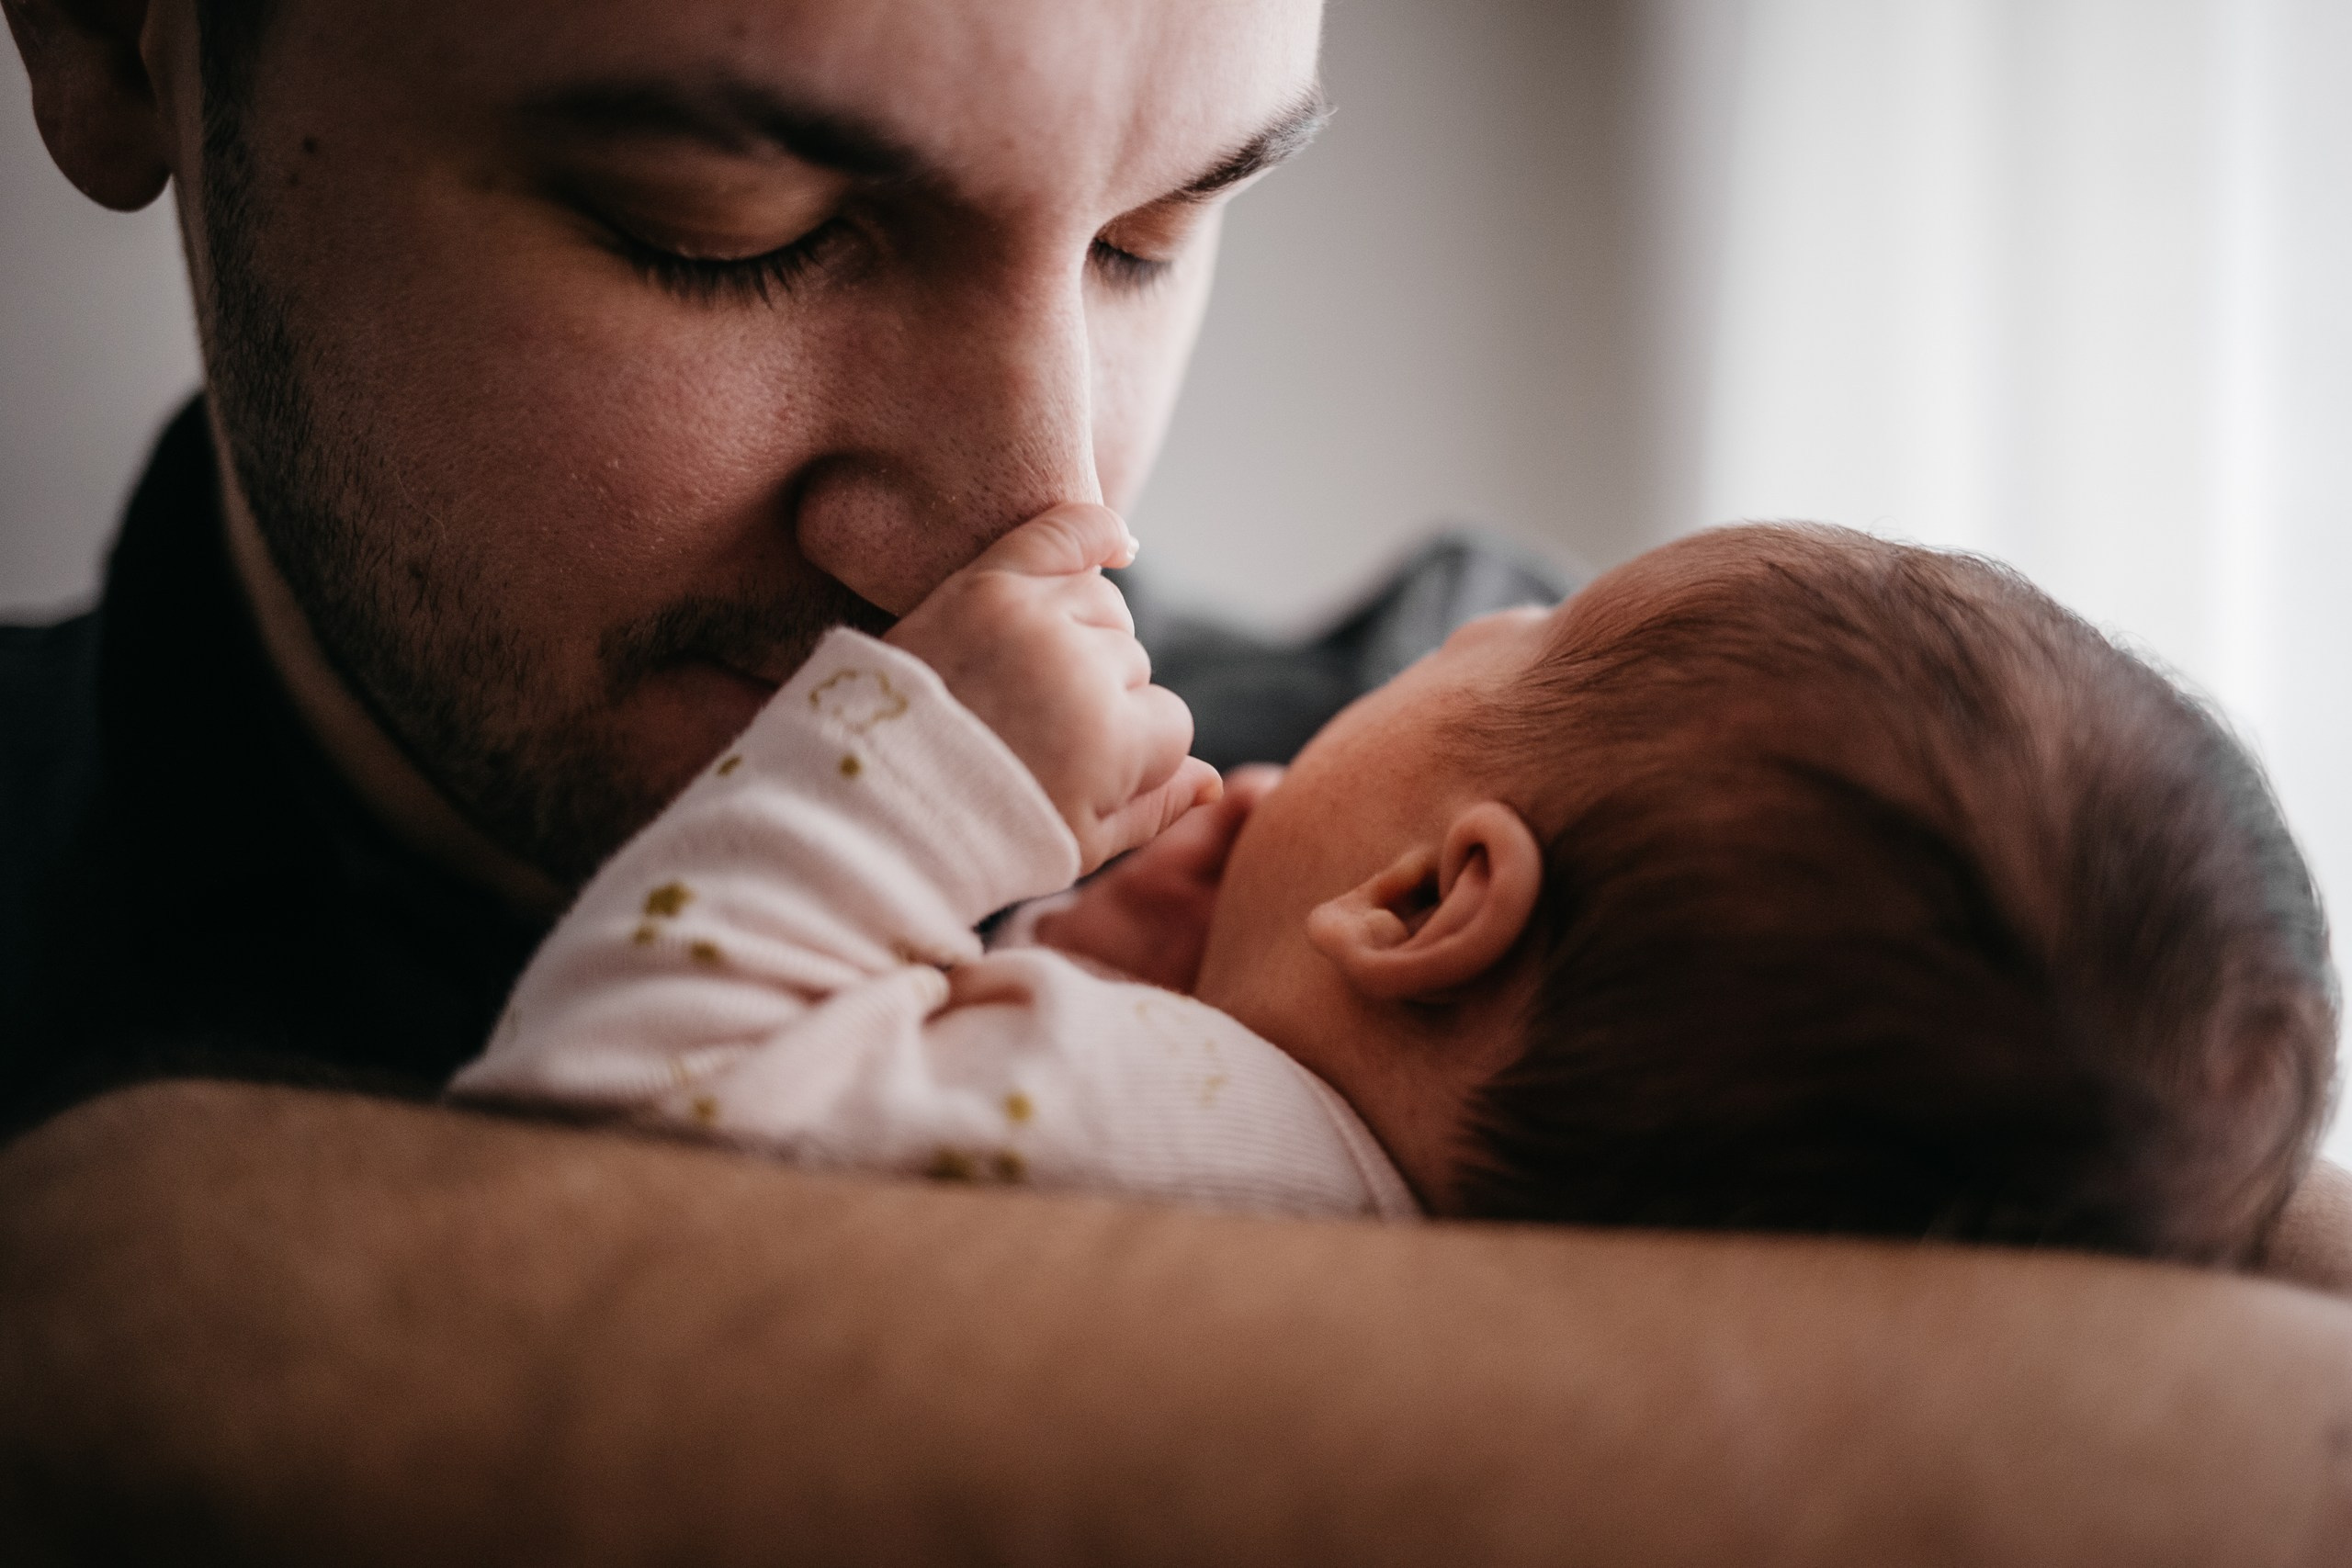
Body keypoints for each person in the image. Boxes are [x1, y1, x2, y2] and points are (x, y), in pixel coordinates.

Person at [6, 0, 2352, 1560]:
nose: (1049, 515)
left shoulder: (1607, 825)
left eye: (1156, 234)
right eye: (728, 230)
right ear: (120, 37)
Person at [456, 513, 2334, 1266]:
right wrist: (1071, 984)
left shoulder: (1181, 1151)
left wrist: (924, 765)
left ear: (1435, 901)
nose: (1454, 612)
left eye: (1512, 638)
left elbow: (602, 1143)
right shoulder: (1330, 1216)